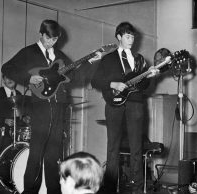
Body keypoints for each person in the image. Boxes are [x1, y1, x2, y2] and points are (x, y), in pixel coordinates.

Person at [2, 19, 101, 194]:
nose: (51, 43)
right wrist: (27, 78)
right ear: (40, 34)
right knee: (36, 153)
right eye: (48, 38)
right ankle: (29, 192)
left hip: (59, 107)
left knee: (53, 156)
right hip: (40, 107)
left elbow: (77, 77)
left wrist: (91, 62)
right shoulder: (29, 52)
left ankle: (54, 191)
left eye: (55, 39)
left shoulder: (61, 57)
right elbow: (7, 68)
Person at [91, 22, 159, 194]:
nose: (131, 40)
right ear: (119, 37)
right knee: (112, 148)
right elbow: (95, 81)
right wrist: (112, 83)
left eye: (133, 36)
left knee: (137, 148)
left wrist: (150, 76)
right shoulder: (108, 59)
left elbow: (143, 86)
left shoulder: (139, 59)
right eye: (128, 36)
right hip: (113, 105)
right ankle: (110, 190)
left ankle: (137, 190)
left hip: (135, 104)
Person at [0, 73, 30, 159]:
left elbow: (20, 113)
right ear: (3, 80)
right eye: (7, 77)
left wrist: (24, 118)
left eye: (12, 77)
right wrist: (3, 120)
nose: (10, 79)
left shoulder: (19, 95)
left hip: (16, 135)